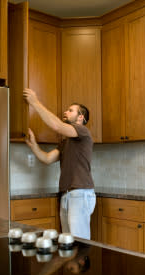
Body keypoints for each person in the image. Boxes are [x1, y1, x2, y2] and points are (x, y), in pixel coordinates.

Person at [23, 88, 95, 240]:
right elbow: (47, 159)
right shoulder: (65, 142)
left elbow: (56, 126)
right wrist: (34, 145)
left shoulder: (82, 132)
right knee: (68, 243)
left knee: (78, 244)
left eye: (70, 110)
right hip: (67, 195)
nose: (65, 112)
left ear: (80, 117)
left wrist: (35, 102)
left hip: (80, 194)